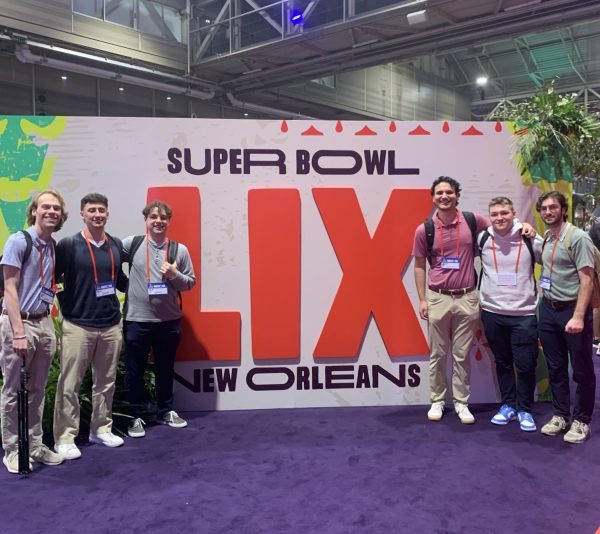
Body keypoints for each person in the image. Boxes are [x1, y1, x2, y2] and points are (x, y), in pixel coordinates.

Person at [53, 193, 127, 459]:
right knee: (69, 384)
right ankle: (64, 437)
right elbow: (53, 279)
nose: (98, 214)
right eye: (92, 210)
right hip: (78, 325)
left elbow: (121, 281)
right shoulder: (68, 245)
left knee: (106, 383)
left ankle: (101, 429)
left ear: (107, 214)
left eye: (102, 210)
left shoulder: (115, 245)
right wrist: (66, 306)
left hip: (110, 325)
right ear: (82, 214)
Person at [1, 190, 67, 473]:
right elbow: (9, 289)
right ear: (34, 211)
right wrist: (18, 332)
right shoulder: (19, 240)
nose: (51, 211)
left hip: (43, 322)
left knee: (37, 389)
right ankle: (13, 450)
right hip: (21, 323)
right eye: (45, 207)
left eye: (56, 208)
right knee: (14, 389)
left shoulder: (51, 245)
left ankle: (35, 444)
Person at [122, 200, 196, 438]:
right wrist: (125, 286)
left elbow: (190, 283)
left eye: (163, 217)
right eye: (154, 216)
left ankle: (166, 410)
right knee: (135, 370)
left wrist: (175, 275)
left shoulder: (179, 250)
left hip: (168, 322)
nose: (158, 221)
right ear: (146, 220)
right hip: (136, 320)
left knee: (165, 368)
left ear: (168, 221)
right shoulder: (131, 245)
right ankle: (136, 416)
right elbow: (107, 264)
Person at [536, 191, 596, 443]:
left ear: (563, 209)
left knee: (581, 369)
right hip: (548, 309)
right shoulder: (549, 237)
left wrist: (580, 316)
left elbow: (587, 278)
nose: (548, 212)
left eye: (553, 207)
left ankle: (582, 420)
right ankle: (561, 414)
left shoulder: (578, 237)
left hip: (573, 311)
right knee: (556, 366)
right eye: (544, 208)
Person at [478, 197, 542, 431]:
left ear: (513, 214)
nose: (499, 218)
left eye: (504, 213)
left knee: (525, 365)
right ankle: (508, 405)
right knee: (503, 363)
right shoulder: (483, 238)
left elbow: (552, 260)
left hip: (523, 314)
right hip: (492, 312)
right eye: (494, 214)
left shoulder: (529, 238)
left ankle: (525, 409)